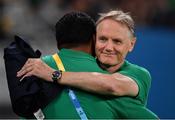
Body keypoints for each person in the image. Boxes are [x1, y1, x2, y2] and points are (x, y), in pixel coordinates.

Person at [17, 11, 158, 119]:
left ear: (131, 44)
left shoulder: (139, 74)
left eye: (117, 41)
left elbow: (112, 85)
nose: (109, 47)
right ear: (94, 39)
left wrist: (54, 74)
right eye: (103, 39)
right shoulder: (81, 66)